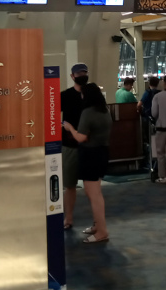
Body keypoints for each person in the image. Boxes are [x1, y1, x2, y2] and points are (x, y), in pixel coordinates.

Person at [62, 83, 112, 244]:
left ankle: (102, 231)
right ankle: (98, 226)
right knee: (96, 193)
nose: (81, 97)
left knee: (94, 195)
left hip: (90, 155)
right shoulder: (105, 111)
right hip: (102, 152)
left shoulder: (88, 113)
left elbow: (81, 137)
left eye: (83, 94)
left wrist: (70, 128)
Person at [60, 63, 88, 230]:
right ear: (72, 76)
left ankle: (96, 221)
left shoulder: (91, 95)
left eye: (84, 72)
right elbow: (52, 114)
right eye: (79, 73)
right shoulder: (65, 96)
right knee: (70, 184)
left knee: (92, 185)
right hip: (70, 145)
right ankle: (68, 218)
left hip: (89, 145)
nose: (82, 75)